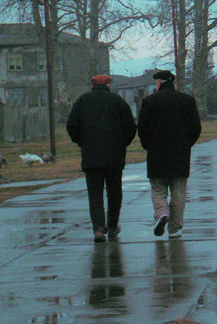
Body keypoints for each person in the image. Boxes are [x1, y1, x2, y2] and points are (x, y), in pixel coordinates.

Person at [67, 75, 136, 243]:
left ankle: (98, 228)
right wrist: (121, 144)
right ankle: (112, 225)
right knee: (114, 192)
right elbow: (130, 127)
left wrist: (82, 142)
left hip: (91, 155)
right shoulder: (118, 101)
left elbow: (72, 126)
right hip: (114, 155)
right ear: (107, 84)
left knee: (95, 193)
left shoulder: (82, 101)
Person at [137, 70, 201, 238]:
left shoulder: (149, 102)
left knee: (158, 189)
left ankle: (161, 213)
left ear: (159, 83)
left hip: (156, 153)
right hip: (180, 154)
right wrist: (187, 144)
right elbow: (196, 128)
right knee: (179, 191)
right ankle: (175, 228)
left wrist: (148, 146)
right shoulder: (187, 101)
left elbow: (142, 129)